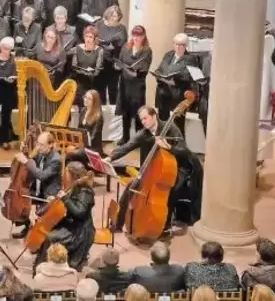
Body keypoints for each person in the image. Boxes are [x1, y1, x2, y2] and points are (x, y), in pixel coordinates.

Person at [106, 106, 203, 234]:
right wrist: (110, 158)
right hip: (154, 169)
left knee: (171, 188)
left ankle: (165, 224)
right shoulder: (143, 133)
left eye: (145, 118)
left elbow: (184, 151)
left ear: (154, 116)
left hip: (176, 167)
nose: (143, 122)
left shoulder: (170, 129)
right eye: (141, 120)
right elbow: (127, 146)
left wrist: (168, 147)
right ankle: (117, 223)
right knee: (131, 186)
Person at [32, 161, 96, 272]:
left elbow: (80, 213)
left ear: (73, 175)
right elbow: (67, 205)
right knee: (50, 231)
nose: (63, 176)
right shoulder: (75, 186)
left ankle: (44, 267)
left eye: (66, 173)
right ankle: (46, 263)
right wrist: (55, 200)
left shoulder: (86, 192)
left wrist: (65, 198)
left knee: (50, 237)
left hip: (80, 230)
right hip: (72, 223)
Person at [11, 131, 62, 239]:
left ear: (51, 144)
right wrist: (24, 151)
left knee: (39, 213)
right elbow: (31, 161)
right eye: (37, 144)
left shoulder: (56, 160)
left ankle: (38, 237)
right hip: (37, 190)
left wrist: (26, 161)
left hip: (48, 194)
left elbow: (42, 175)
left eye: (41, 145)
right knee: (21, 200)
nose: (38, 147)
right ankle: (27, 228)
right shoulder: (41, 153)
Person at [115, 25, 152, 145]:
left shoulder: (146, 51)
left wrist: (134, 71)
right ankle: (125, 137)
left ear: (143, 36)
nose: (136, 38)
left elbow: (144, 69)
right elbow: (120, 61)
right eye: (134, 35)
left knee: (137, 113)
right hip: (125, 83)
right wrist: (117, 66)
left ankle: (138, 139)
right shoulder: (126, 48)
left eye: (139, 36)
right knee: (125, 111)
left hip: (137, 86)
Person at [153, 32, 197, 134]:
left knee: (178, 125)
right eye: (176, 44)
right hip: (163, 93)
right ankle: (162, 146)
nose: (178, 47)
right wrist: (158, 75)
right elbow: (160, 69)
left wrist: (175, 79)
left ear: (186, 46)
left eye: (181, 45)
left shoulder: (190, 59)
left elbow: (190, 76)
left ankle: (178, 147)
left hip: (178, 95)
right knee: (162, 123)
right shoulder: (168, 55)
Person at [95, 5, 127, 105]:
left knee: (113, 87)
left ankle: (114, 111)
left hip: (115, 60)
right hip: (101, 59)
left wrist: (115, 47)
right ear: (107, 15)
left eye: (116, 16)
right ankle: (101, 108)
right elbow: (94, 38)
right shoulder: (99, 24)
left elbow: (124, 45)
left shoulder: (122, 28)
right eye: (112, 16)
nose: (113, 18)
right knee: (101, 87)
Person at [66, 90, 104, 167]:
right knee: (64, 150)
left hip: (93, 148)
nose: (85, 100)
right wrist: (74, 143)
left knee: (69, 155)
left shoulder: (99, 116)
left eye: (89, 99)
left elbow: (93, 138)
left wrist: (78, 147)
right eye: (85, 97)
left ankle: (79, 172)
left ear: (95, 101)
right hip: (83, 146)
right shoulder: (83, 110)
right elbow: (78, 130)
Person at [71, 25, 104, 106]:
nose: (88, 39)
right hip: (80, 80)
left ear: (94, 38)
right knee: (79, 98)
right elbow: (74, 65)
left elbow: (98, 69)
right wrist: (82, 71)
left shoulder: (99, 50)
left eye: (90, 37)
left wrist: (90, 72)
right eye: (86, 36)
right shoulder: (78, 48)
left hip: (93, 81)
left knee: (92, 100)